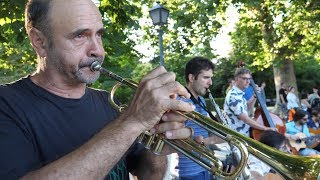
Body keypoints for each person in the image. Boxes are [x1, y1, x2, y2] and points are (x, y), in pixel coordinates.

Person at [0, 0, 195, 179]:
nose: (98, 51)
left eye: (99, 34)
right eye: (80, 35)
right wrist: (133, 121)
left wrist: (157, 140)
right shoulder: (6, 104)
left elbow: (150, 174)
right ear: (39, 41)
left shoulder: (111, 104)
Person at [177, 56, 221, 180]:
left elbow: (204, 131)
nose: (210, 83)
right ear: (191, 78)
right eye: (206, 77)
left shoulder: (200, 100)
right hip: (190, 171)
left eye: (211, 78)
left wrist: (217, 122)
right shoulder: (180, 101)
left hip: (205, 166)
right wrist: (210, 141)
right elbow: (175, 139)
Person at [224, 67, 276, 137]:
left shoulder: (239, 93)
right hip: (239, 137)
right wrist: (265, 128)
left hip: (244, 134)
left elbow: (247, 108)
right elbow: (245, 119)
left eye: (249, 79)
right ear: (236, 79)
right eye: (245, 78)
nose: (248, 81)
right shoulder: (234, 96)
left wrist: (254, 96)